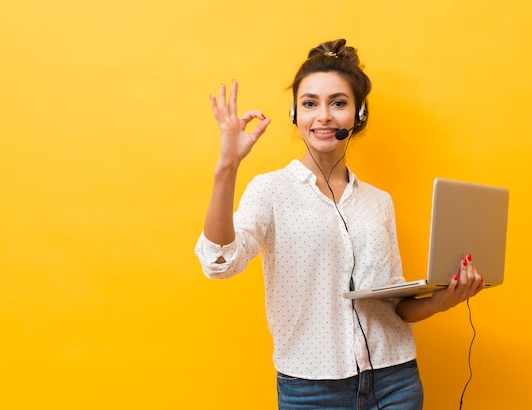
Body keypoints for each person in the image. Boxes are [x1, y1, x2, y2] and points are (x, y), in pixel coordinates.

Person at [194, 38, 484, 410]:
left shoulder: (378, 202)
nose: (324, 116)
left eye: (339, 103)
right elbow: (219, 263)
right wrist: (227, 168)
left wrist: (445, 299)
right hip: (312, 391)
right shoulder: (270, 190)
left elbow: (394, 306)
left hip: (396, 380)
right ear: (295, 114)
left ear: (358, 114)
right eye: (310, 103)